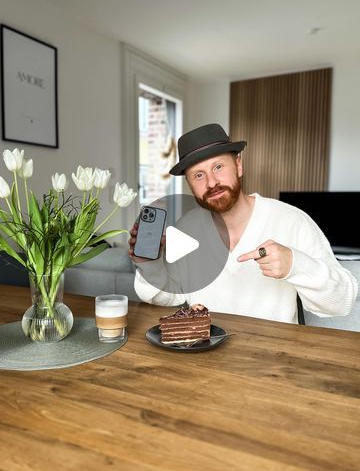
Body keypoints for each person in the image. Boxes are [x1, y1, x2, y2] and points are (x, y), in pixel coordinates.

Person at [129, 123, 358, 324]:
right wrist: (149, 263)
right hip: (205, 360)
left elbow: (342, 302)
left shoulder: (293, 220)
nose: (212, 183)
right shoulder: (186, 228)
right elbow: (170, 297)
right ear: (189, 184)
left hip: (275, 363)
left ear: (238, 165)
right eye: (198, 175)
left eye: (218, 167)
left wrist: (294, 265)